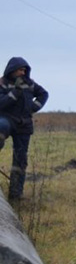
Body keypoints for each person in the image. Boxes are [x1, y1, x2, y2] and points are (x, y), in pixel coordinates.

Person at [0, 57, 49, 200]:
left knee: (20, 160)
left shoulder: (30, 84)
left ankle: (16, 194)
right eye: (20, 70)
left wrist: (33, 108)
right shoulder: (2, 83)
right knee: (1, 126)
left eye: (24, 70)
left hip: (24, 123)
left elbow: (43, 94)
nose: (22, 73)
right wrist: (15, 92)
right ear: (12, 70)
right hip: (7, 119)